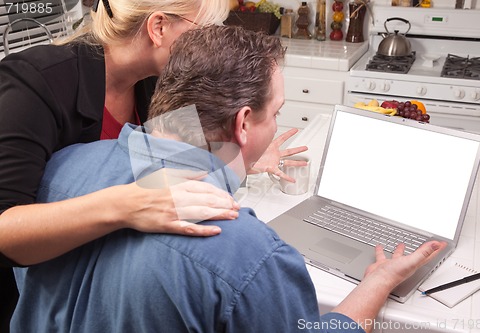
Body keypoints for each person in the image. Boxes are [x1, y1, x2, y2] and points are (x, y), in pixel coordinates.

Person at [11, 25, 446, 333]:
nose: (276, 123)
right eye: (275, 113)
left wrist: (238, 162)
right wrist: (379, 281)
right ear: (242, 123)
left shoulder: (61, 168)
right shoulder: (249, 255)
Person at [0, 0, 306, 329]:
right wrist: (127, 204)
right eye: (203, 30)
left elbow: (178, 157)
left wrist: (242, 155)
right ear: (158, 27)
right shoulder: (35, 84)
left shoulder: (156, 82)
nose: (210, 42)